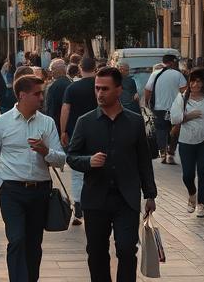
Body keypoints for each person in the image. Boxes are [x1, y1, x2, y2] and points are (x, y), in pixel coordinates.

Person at [66, 67, 157, 282]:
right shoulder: (85, 122)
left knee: (127, 249)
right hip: (96, 198)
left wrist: (150, 194)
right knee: (96, 252)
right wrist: (89, 161)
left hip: (126, 198)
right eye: (97, 89)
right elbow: (71, 156)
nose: (99, 93)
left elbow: (144, 160)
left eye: (105, 89)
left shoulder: (134, 122)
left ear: (119, 90)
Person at [0, 75, 67, 282]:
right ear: (22, 95)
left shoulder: (47, 123)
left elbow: (61, 159)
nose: (41, 98)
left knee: (33, 243)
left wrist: (45, 151)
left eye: (42, 94)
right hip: (11, 190)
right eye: (37, 94)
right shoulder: (1, 123)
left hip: (40, 190)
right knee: (17, 239)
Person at [168, 67, 204, 217]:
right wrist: (189, 116)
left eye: (199, 81)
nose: (195, 84)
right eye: (193, 81)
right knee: (187, 175)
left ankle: (201, 205)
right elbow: (174, 118)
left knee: (203, 172)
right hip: (186, 142)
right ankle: (192, 194)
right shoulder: (182, 98)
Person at [59, 55, 99, 225]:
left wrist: (63, 131)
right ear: (95, 68)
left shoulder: (72, 88)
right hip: (98, 132)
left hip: (76, 132)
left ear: (80, 68)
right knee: (95, 168)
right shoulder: (100, 86)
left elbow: (65, 109)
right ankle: (94, 205)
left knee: (77, 171)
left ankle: (78, 205)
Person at [143, 54, 186, 165]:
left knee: (161, 130)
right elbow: (184, 91)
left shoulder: (155, 74)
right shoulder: (178, 74)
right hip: (175, 109)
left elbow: (147, 90)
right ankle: (171, 154)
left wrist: (147, 103)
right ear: (172, 62)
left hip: (159, 108)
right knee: (175, 131)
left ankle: (162, 154)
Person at [42, 59, 71, 137]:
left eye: (51, 70)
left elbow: (50, 108)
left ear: (56, 70)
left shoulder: (53, 86)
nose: (51, 73)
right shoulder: (70, 83)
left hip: (57, 125)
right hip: (69, 123)